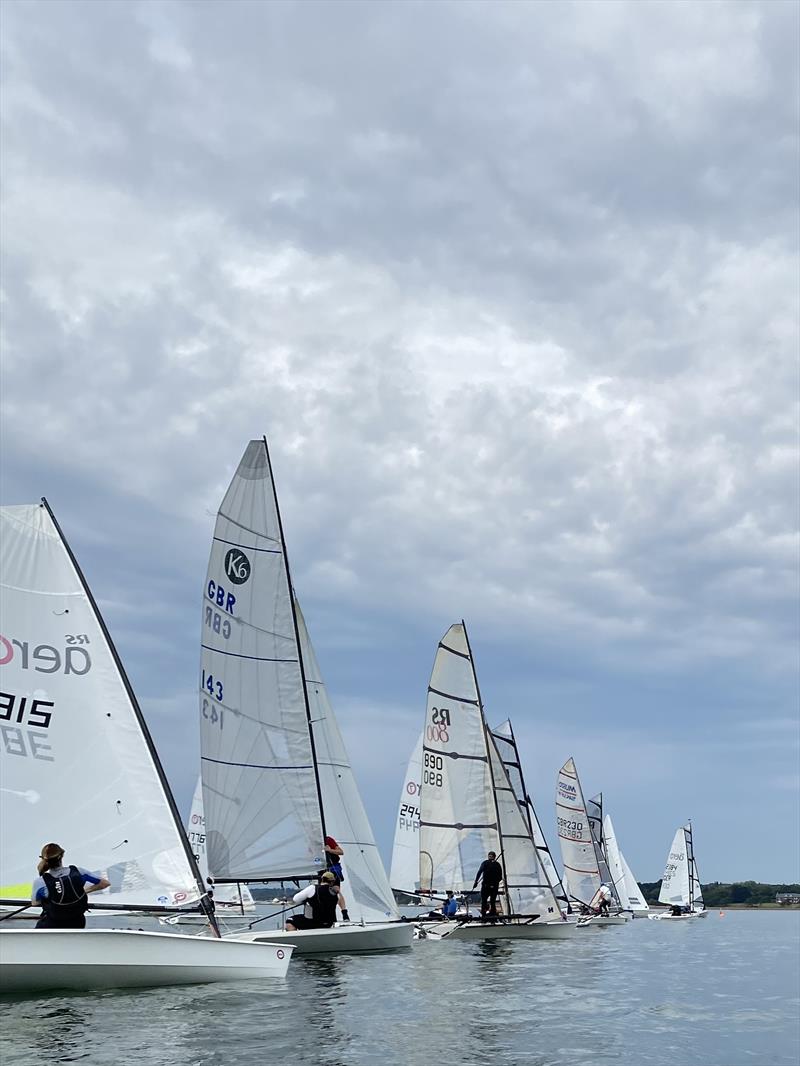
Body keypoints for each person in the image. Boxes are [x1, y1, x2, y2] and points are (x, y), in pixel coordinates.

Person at [32, 843, 110, 929]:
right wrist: (84, 891)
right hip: (77, 923)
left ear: (44, 860)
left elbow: (35, 903)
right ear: (62, 856)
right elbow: (105, 883)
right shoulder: (78, 872)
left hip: (52, 925)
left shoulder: (40, 881)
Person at [285, 871, 350, 931]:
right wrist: (344, 913)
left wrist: (306, 899)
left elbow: (295, 899)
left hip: (311, 923)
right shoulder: (335, 892)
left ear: (322, 879)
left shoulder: (312, 888)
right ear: (332, 881)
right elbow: (341, 901)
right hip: (328, 924)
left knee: (290, 920)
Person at [472, 851, 503, 919]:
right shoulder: (486, 863)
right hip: (487, 886)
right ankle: (485, 916)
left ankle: (492, 915)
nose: (490, 857)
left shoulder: (496, 864)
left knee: (492, 901)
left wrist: (494, 883)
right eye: (489, 856)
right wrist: (476, 882)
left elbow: (500, 877)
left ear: (494, 857)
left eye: (491, 856)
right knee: (485, 901)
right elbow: (479, 872)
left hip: (492, 886)